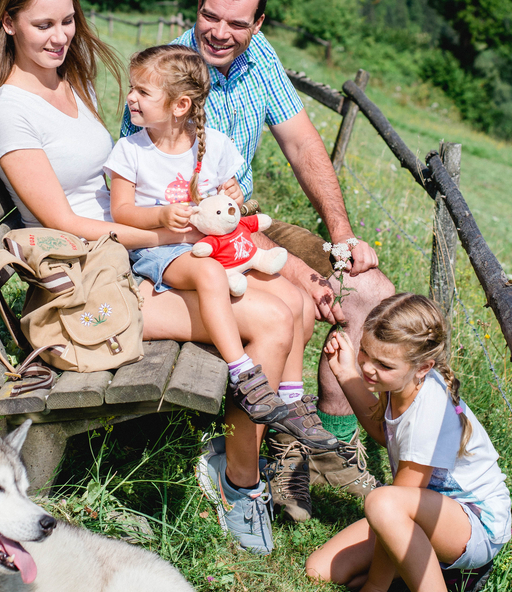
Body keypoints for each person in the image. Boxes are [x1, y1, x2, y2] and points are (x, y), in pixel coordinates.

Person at [0, 0, 318, 555]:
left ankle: (257, 443)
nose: (60, 37)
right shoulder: (11, 112)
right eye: (43, 25)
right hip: (85, 286)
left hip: (119, 261)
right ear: (8, 24)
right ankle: (239, 483)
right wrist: (170, 237)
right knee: (271, 320)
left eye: (67, 21)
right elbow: (63, 222)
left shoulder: (66, 86)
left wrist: (192, 217)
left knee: (293, 300)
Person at [120, 0, 396, 521]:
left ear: (259, 25)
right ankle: (277, 449)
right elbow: (171, 211)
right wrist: (295, 269)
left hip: (247, 221)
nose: (220, 32)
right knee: (299, 297)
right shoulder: (168, 75)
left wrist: (341, 238)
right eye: (210, 15)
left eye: (237, 23)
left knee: (368, 290)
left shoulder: (259, 57)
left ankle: (327, 449)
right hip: (200, 239)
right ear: (195, 8)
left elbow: (301, 144)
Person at [104, 44, 336, 452]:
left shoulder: (214, 145)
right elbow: (121, 211)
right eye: (132, 88)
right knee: (210, 273)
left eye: (142, 92)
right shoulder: (131, 151)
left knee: (294, 296)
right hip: (164, 253)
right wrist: (160, 217)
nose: (130, 99)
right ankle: (244, 373)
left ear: (180, 106)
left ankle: (293, 397)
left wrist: (232, 192)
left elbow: (227, 201)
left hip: (218, 245)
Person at [304, 293, 512, 592]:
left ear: (423, 367)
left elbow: (395, 508)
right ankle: (438, 571)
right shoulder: (402, 382)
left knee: (382, 503)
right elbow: (383, 429)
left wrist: (374, 589)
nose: (369, 368)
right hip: (424, 511)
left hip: (475, 523)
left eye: (384, 365)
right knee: (320, 569)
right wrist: (345, 374)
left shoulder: (429, 411)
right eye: (365, 353)